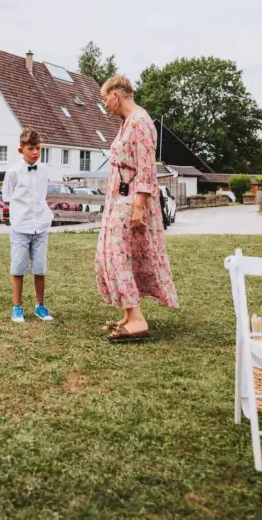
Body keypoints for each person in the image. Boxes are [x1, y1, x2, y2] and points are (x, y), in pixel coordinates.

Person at [96, 75, 178, 341]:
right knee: (115, 254)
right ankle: (129, 314)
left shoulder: (141, 122)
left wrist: (139, 206)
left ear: (117, 96)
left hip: (131, 199)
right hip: (119, 199)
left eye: (105, 97)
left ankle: (138, 319)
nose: (105, 103)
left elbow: (146, 167)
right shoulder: (127, 122)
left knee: (116, 255)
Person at [1, 128, 54, 324]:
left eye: (38, 148)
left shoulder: (45, 171)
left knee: (40, 268)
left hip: (40, 225)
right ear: (20, 150)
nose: (35, 152)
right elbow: (7, 198)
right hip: (20, 226)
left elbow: (42, 196)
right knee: (18, 268)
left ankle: (40, 305)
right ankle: (17, 307)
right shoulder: (12, 173)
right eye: (31, 148)